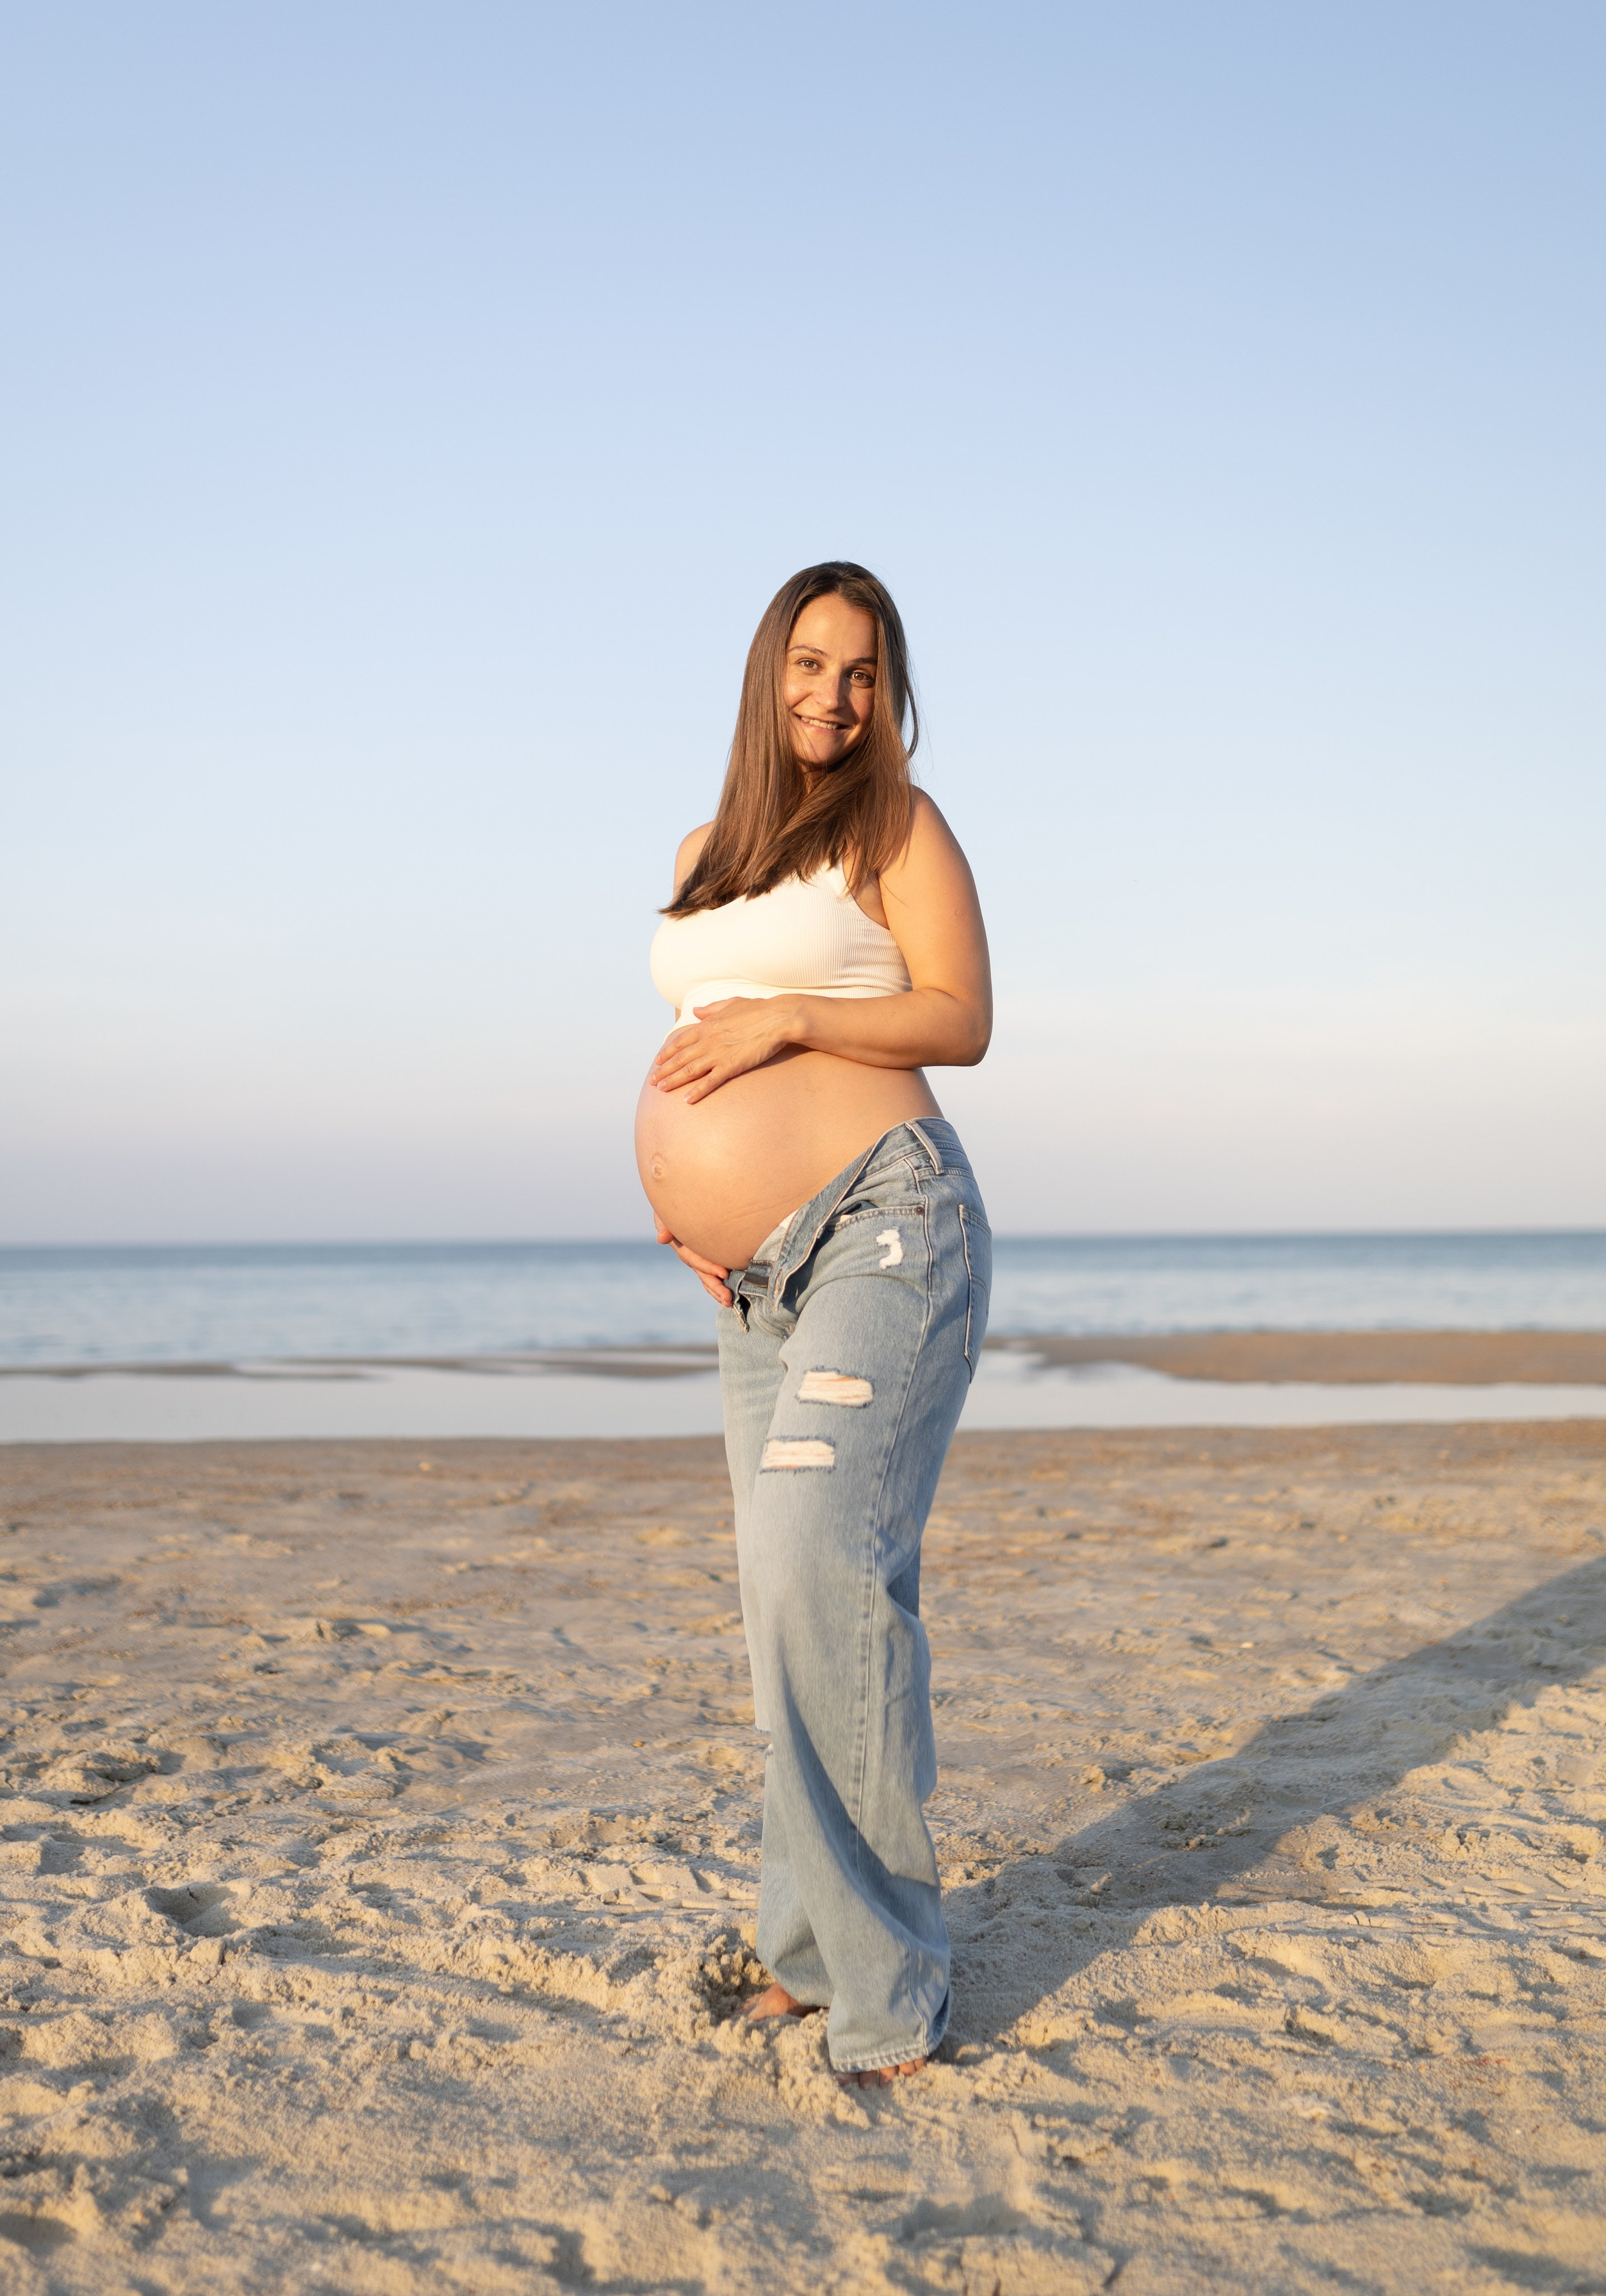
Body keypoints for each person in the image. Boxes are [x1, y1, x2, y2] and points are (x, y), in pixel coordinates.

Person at [636, 561, 992, 2087]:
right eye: (808, 662)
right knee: (781, 1599)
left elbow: (959, 1016)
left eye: (861, 669)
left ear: (886, 689)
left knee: (817, 1566)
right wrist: (684, 1203)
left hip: (885, 1227)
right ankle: (801, 1944)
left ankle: (887, 1989)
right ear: (763, 674)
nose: (833, 694)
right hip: (756, 1273)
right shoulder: (705, 849)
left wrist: (791, 1021)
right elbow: (688, 1048)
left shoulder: (896, 828)